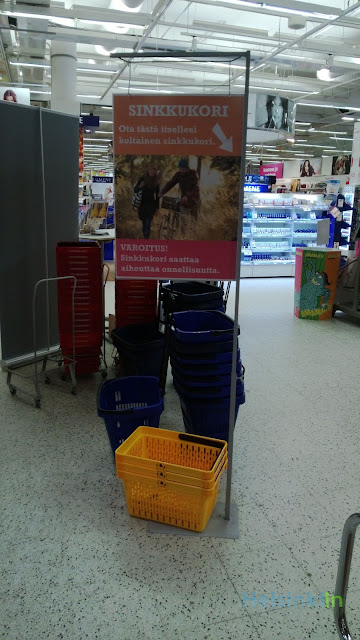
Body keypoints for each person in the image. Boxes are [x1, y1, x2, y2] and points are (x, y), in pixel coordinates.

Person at [159, 158, 200, 236]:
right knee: (183, 222)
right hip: (184, 202)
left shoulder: (193, 173)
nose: (182, 171)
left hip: (194, 201)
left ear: (187, 168)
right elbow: (170, 183)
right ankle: (184, 238)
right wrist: (162, 192)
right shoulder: (178, 174)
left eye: (184, 169)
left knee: (194, 222)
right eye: (180, 169)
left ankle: (193, 237)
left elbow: (196, 187)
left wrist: (188, 196)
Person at [133, 165, 159, 239]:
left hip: (151, 205)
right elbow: (135, 190)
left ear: (155, 172)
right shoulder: (142, 179)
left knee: (148, 223)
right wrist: (140, 186)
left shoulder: (156, 181)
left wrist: (157, 208)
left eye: (154, 171)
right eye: (151, 170)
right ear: (148, 170)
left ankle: (146, 238)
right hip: (142, 205)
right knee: (144, 223)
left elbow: (157, 196)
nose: (152, 172)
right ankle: (145, 237)